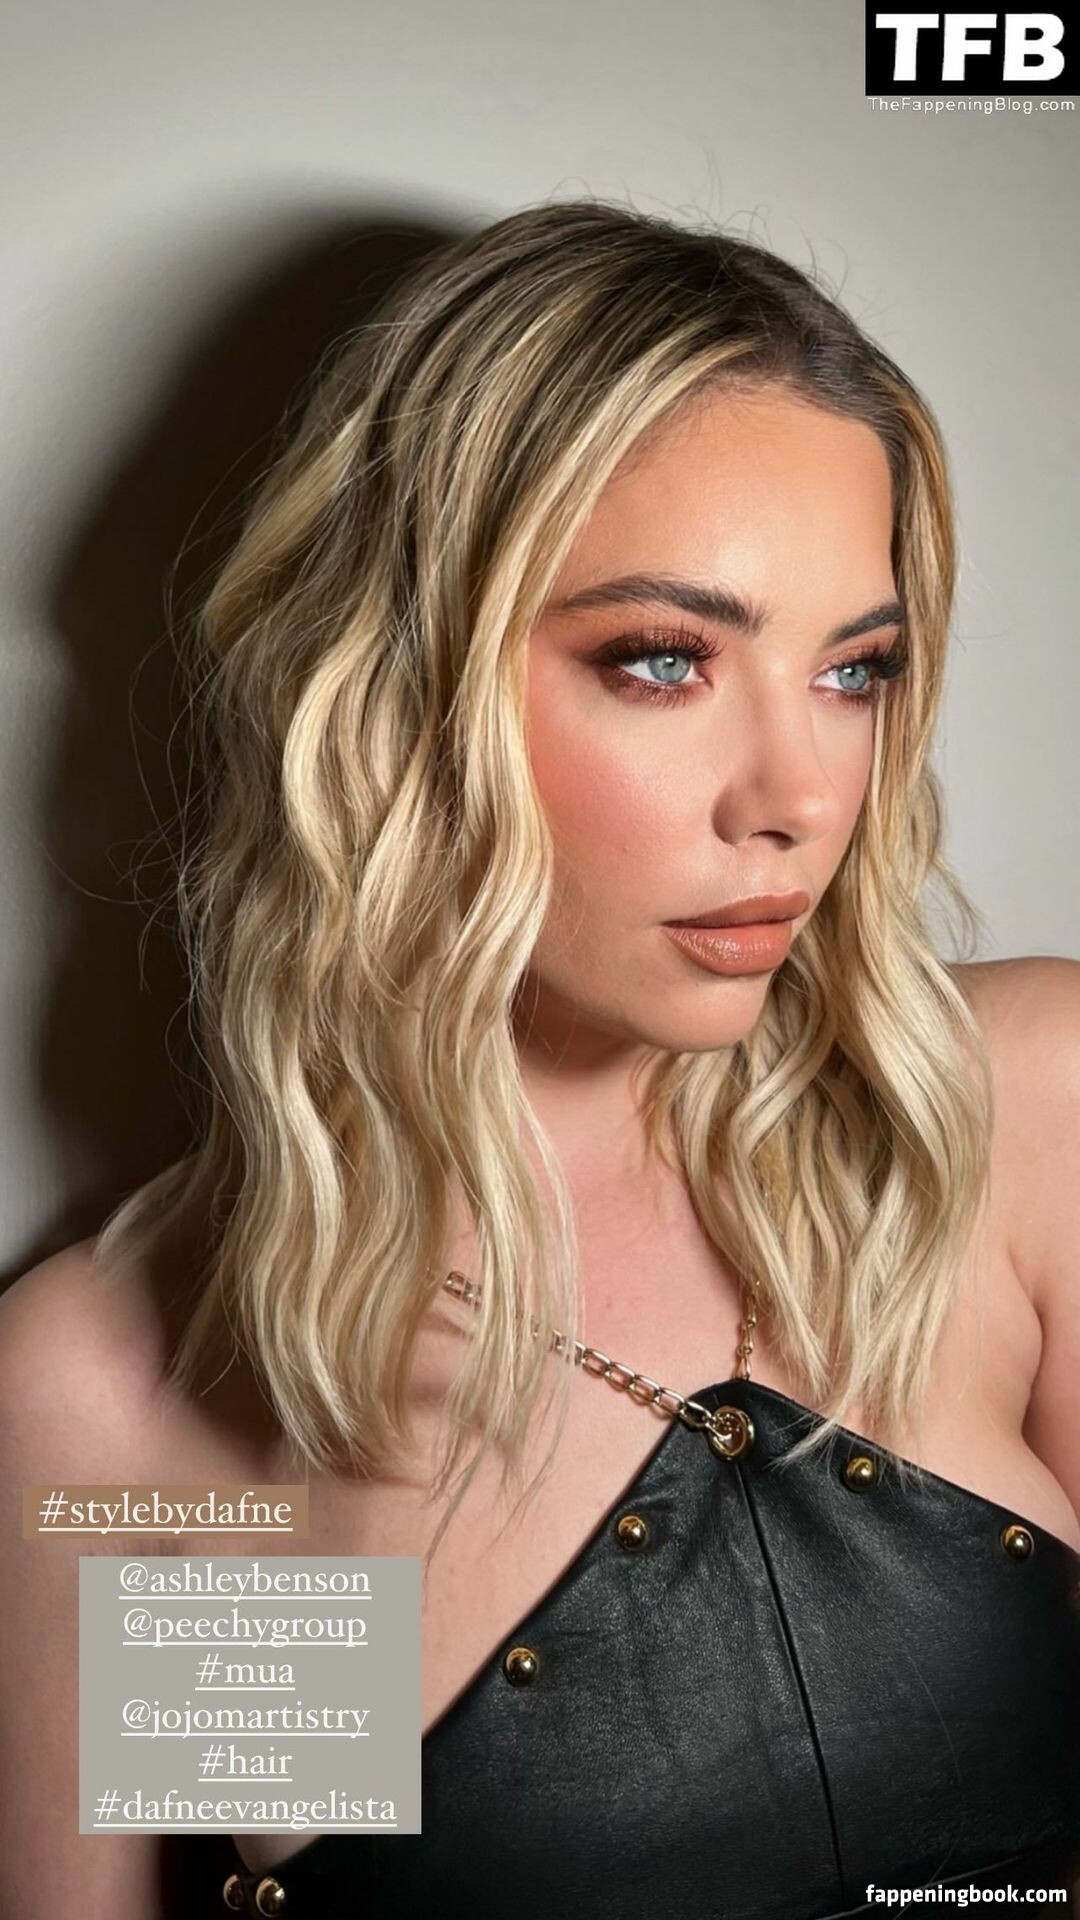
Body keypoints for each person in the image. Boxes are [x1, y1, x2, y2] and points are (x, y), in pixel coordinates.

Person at [1, 198, 1078, 1920]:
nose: (798, 797)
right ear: (401, 687)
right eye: (664, 661)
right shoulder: (152, 1399)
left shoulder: (1009, 1118)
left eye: (852, 670)